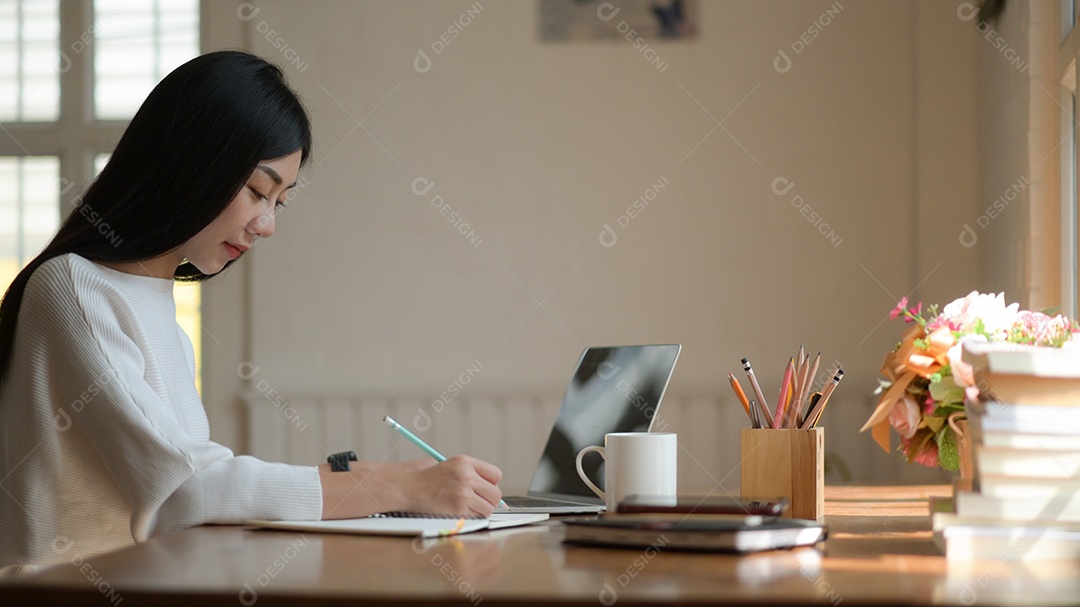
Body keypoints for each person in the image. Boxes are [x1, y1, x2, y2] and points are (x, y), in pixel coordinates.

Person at [0, 51, 502, 580]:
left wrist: (379, 478)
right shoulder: (74, 288)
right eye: (259, 191)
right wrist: (398, 486)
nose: (267, 225)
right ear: (189, 162)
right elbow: (181, 491)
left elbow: (193, 483)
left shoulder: (159, 313)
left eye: (278, 202)